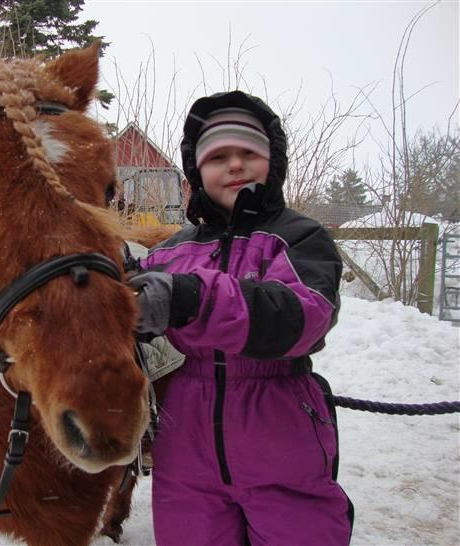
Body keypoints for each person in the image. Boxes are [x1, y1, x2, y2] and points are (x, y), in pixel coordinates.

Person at [128, 90, 354, 545]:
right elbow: (129, 299)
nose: (234, 165)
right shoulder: (173, 251)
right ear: (197, 171)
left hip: (280, 426)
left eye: (248, 153)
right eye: (218, 157)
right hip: (186, 438)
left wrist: (193, 299)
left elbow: (304, 317)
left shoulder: (298, 238)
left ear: (273, 161)